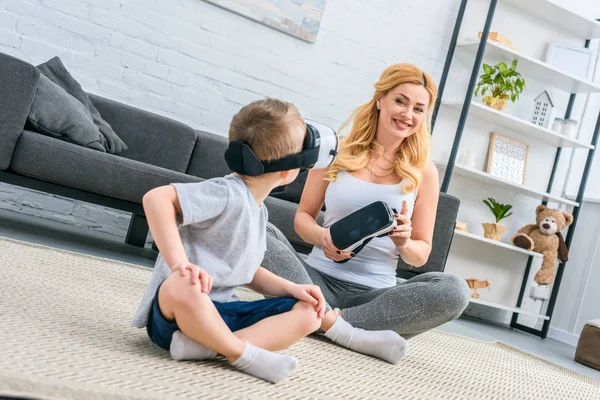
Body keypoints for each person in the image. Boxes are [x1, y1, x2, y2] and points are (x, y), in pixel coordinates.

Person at [262, 63, 471, 340]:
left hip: (375, 298)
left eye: (419, 109)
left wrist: (404, 243)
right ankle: (342, 327)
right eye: (400, 101)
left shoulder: (425, 170)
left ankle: (324, 319)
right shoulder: (337, 150)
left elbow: (420, 255)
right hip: (314, 281)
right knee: (254, 223)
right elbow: (303, 217)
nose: (408, 115)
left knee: (455, 290)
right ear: (380, 99)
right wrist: (323, 237)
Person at [131, 98, 329, 384]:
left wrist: (294, 288)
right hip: (176, 317)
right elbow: (155, 198)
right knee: (181, 285)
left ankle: (206, 348)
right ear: (288, 172)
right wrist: (180, 266)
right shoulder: (225, 193)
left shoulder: (259, 211)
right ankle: (240, 352)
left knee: (311, 312)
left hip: (222, 314)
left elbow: (245, 271)